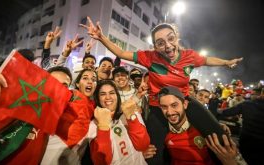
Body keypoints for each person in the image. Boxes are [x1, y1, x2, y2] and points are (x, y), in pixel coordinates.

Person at [81, 17, 243, 164]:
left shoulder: (190, 56)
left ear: (177, 37)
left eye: (171, 38)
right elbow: (122, 53)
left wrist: (226, 62)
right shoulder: (149, 57)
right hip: (157, 106)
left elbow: (207, 60)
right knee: (152, 152)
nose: (167, 45)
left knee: (219, 135)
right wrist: (101, 37)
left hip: (184, 101)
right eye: (160, 43)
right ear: (155, 47)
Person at [144, 86, 238, 164]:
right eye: (164, 107)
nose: (169, 112)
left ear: (185, 104)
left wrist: (230, 161)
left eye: (174, 105)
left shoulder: (203, 130)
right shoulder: (162, 133)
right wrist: (141, 154)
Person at [41, 67, 97, 165]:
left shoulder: (95, 108)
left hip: (75, 157)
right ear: (77, 84)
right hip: (51, 151)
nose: (90, 82)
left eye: (93, 79)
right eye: (85, 78)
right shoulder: (69, 95)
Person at [89, 80, 150, 165]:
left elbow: (143, 145)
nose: (108, 97)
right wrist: (102, 127)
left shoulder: (130, 112)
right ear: (97, 98)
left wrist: (131, 118)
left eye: (112, 93)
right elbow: (101, 162)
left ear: (117, 96)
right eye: (103, 94)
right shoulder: (93, 126)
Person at [218, 87, 264, 164]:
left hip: (247, 142)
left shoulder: (247, 104)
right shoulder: (246, 104)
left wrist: (216, 109)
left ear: (261, 94)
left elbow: (226, 112)